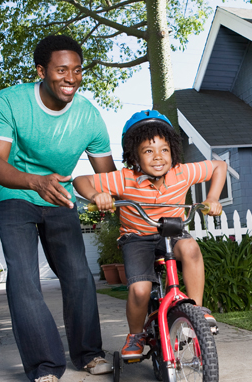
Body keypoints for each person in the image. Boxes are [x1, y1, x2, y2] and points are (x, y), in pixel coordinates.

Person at [0, 35, 116, 382]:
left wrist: (105, 195)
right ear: (41, 71)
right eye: (62, 70)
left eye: (77, 70)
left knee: (78, 275)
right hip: (12, 193)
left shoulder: (88, 115)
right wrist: (35, 182)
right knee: (24, 278)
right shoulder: (9, 103)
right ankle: (45, 366)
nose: (71, 78)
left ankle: (88, 354)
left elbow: (107, 175)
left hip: (60, 198)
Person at [73, 110, 228, 359]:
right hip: (137, 238)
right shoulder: (124, 179)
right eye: (148, 151)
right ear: (135, 155)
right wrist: (96, 195)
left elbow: (219, 166)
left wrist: (212, 198)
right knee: (140, 290)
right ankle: (135, 335)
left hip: (172, 232)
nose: (158, 157)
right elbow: (80, 180)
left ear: (173, 151)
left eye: (164, 150)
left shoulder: (182, 172)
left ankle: (196, 311)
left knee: (190, 248)